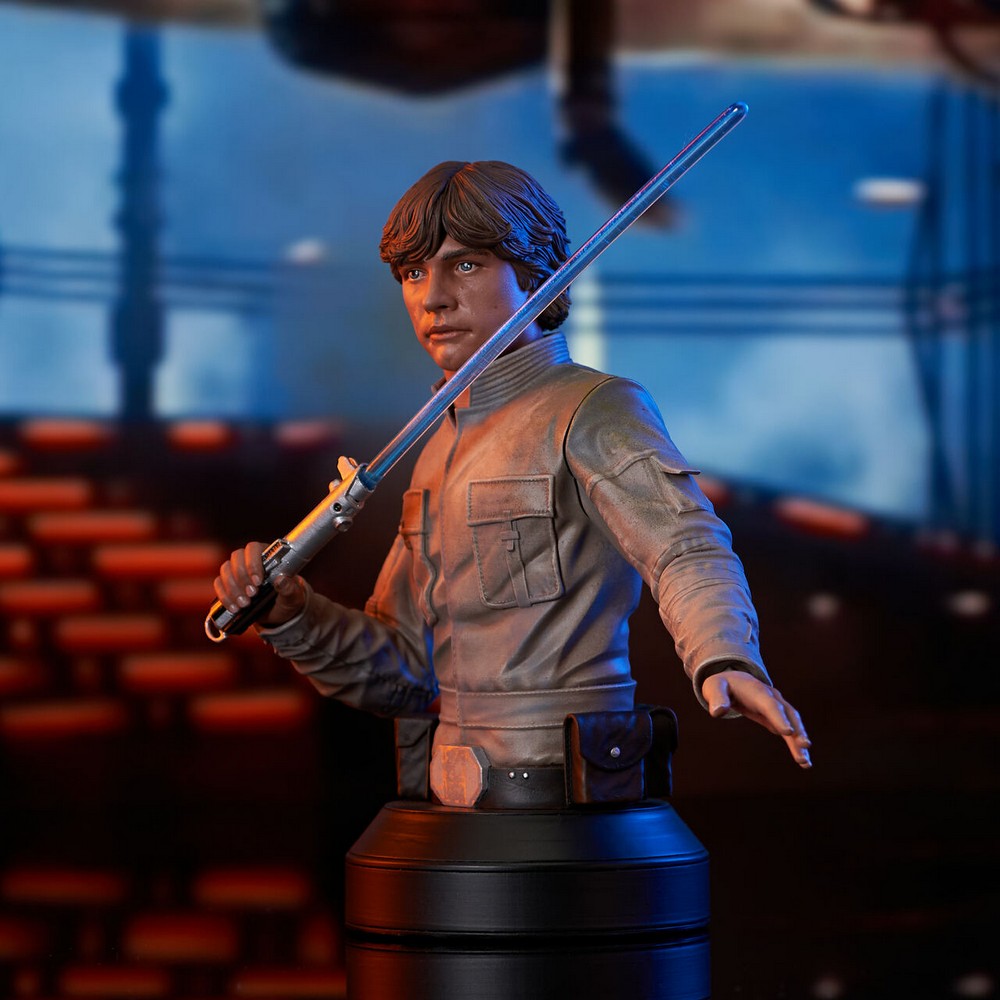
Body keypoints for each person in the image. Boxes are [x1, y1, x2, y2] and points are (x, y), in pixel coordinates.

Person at [213, 160, 810, 809]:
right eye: (414, 273)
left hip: (570, 802)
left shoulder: (592, 410)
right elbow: (406, 671)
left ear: (536, 274)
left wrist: (724, 655)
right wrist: (291, 615)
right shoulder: (437, 446)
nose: (434, 297)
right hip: (452, 809)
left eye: (466, 264)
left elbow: (685, 548)